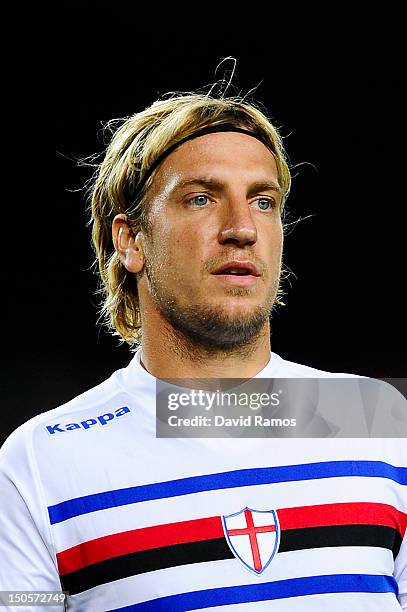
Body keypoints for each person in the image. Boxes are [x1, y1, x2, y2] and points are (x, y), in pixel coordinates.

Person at [0, 91, 406, 611]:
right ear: (131, 241)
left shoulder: (377, 418)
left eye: (263, 201)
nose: (242, 229)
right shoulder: (41, 460)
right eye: (201, 198)